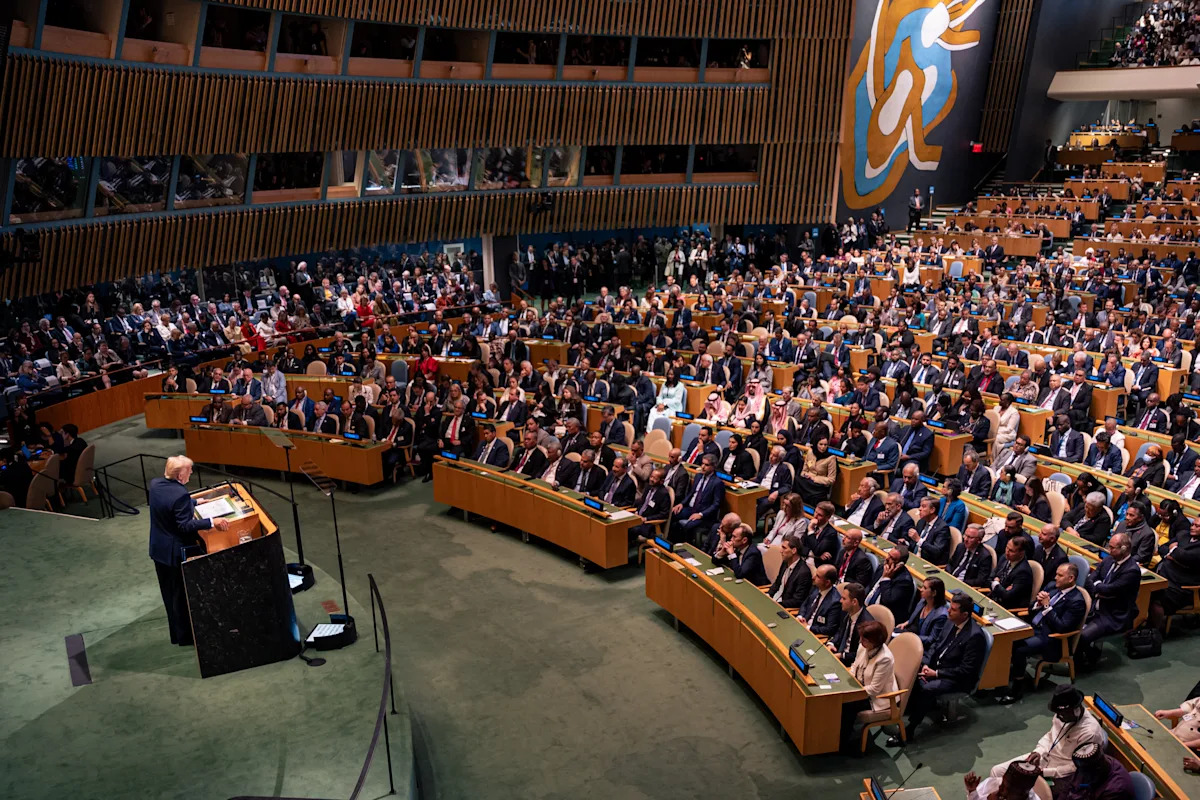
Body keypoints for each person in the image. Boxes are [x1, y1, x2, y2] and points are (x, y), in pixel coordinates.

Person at [148, 456, 230, 646]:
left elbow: (167, 504)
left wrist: (192, 502)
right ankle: (186, 637)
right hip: (174, 553)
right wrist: (212, 521)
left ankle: (177, 635)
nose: (191, 473)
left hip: (159, 549)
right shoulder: (179, 494)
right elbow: (184, 525)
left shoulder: (156, 484)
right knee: (180, 596)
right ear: (180, 475)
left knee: (169, 595)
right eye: (189, 470)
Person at [897, 592, 987, 744]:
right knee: (911, 666)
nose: (948, 611)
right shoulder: (950, 622)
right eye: (950, 607)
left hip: (957, 679)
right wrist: (926, 663)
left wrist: (937, 673)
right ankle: (903, 709)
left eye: (953, 609)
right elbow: (936, 645)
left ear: (964, 615)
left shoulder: (975, 637)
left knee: (928, 689)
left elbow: (966, 670)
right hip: (938, 666)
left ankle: (910, 729)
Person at [997, 563, 1086, 703]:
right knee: (1004, 638)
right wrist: (1038, 604)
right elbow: (1030, 608)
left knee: (1019, 649)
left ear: (1071, 578)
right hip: (1032, 627)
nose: (1055, 578)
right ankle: (1000, 678)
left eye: (1060, 575)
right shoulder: (1052, 586)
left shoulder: (1077, 601)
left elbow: (1062, 627)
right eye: (1056, 574)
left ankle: (1017, 689)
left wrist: (1046, 606)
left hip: (1051, 638)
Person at [991, 685, 1105, 782]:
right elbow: (1050, 736)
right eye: (1058, 713)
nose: (1059, 717)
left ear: (1076, 710)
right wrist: (1038, 751)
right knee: (997, 771)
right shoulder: (1062, 715)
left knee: (1015, 787)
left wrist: (1045, 772)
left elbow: (1076, 768)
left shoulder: (1090, 733)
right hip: (1044, 758)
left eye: (1063, 714)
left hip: (1060, 772)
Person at [840, 620, 897, 750]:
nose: (860, 642)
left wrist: (851, 692)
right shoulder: (864, 646)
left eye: (864, 640)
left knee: (846, 705)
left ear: (875, 641)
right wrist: (849, 681)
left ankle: (843, 743)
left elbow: (875, 689)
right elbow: (855, 666)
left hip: (876, 697)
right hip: (859, 687)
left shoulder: (885, 658)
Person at [669, 454, 725, 543]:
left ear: (713, 467)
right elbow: (691, 493)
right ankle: (671, 543)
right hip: (690, 508)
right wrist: (682, 504)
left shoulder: (717, 483)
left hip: (704, 515)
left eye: (706, 465)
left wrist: (701, 514)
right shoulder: (698, 476)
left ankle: (685, 546)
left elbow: (716, 505)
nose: (703, 467)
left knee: (688, 526)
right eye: (702, 464)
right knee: (672, 514)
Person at [1053, 742, 1135, 800]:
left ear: (1097, 769)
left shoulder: (1116, 789)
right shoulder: (1090, 762)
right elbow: (1069, 787)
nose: (1081, 774)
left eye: (1084, 772)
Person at [894, 575, 949, 648]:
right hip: (908, 633)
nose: (921, 589)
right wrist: (906, 623)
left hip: (918, 643)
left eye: (925, 588)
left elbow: (931, 639)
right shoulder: (922, 601)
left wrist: (910, 637)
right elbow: (915, 619)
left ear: (934, 593)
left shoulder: (940, 615)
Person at [766, 534, 812, 608]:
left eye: (784, 548)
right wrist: (768, 594)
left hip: (784, 607)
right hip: (775, 600)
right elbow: (777, 583)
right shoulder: (785, 562)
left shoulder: (804, 573)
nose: (781, 551)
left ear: (794, 550)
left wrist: (777, 604)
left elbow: (797, 600)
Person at [797, 564, 843, 637]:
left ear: (827, 582)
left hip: (814, 634)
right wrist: (800, 616)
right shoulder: (816, 588)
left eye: (818, 576)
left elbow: (829, 629)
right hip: (802, 626)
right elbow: (805, 604)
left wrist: (808, 627)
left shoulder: (835, 602)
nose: (813, 577)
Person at [990, 536, 1035, 610]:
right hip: (995, 600)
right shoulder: (1005, 558)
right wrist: (1001, 588)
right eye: (1007, 548)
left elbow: (1007, 596)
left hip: (1009, 609)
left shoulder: (1023, 572)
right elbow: (990, 578)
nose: (1007, 552)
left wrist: (996, 584)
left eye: (1011, 551)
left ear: (1021, 553)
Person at [794, 435, 837, 505]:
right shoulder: (810, 452)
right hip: (807, 480)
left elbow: (831, 479)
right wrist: (806, 474)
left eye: (825, 445)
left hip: (819, 484)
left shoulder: (831, 458)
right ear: (816, 444)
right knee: (796, 479)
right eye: (821, 444)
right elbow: (804, 470)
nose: (823, 447)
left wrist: (814, 478)